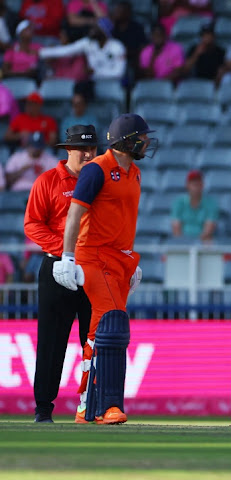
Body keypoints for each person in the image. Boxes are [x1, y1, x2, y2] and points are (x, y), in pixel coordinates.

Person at [54, 113, 154, 424]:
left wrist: (129, 261)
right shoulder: (97, 169)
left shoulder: (134, 172)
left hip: (120, 260)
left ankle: (86, 406)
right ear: (127, 141)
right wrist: (67, 258)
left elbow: (123, 219)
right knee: (114, 323)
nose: (147, 142)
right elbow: (74, 215)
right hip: (94, 256)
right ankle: (109, 406)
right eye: (142, 137)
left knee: (98, 333)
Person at [23, 125, 97, 423]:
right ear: (68, 150)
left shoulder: (101, 182)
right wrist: (65, 250)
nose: (88, 154)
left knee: (94, 342)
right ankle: (43, 409)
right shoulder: (48, 181)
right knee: (51, 341)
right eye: (82, 149)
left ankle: (93, 405)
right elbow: (32, 225)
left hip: (92, 268)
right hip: (57, 268)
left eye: (92, 148)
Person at [38, 18, 127, 82]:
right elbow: (67, 50)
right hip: (93, 82)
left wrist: (96, 72)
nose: (92, 30)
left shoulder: (117, 47)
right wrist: (41, 52)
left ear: (104, 32)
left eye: (96, 28)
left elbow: (119, 72)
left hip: (113, 83)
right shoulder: (88, 42)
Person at [170, 170, 218, 243]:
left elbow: (208, 229)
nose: (196, 187)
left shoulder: (211, 204)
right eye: (193, 184)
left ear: (202, 185)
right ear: (187, 185)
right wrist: (184, 243)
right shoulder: (178, 203)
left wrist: (195, 243)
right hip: (183, 242)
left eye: (198, 184)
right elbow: (176, 229)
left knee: (209, 243)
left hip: (203, 242)